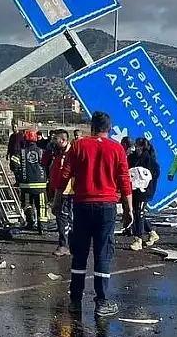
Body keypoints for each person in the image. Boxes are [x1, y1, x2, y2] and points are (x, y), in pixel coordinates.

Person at [56, 111, 133, 317]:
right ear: (108, 128)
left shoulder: (79, 146)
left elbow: (65, 175)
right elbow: (124, 181)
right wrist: (128, 209)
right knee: (103, 254)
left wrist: (57, 200)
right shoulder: (117, 149)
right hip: (106, 207)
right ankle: (101, 302)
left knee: (79, 253)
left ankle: (75, 300)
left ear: (92, 127)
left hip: (82, 205)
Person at [10, 131, 49, 231]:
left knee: (27, 204)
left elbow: (13, 164)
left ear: (25, 139)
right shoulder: (43, 151)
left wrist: (19, 174)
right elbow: (50, 164)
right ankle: (42, 226)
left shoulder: (20, 152)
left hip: (25, 184)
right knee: (42, 205)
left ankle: (30, 221)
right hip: (40, 185)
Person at [127, 137, 162, 250]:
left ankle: (138, 239)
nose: (135, 148)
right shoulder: (131, 157)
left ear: (142, 147)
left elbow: (155, 172)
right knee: (136, 212)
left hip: (144, 191)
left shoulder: (149, 159)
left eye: (137, 146)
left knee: (139, 213)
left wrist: (146, 182)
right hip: (134, 189)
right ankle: (152, 233)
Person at [44, 129, 74, 256]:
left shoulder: (71, 153)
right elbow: (45, 163)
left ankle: (65, 245)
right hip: (58, 190)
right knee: (62, 218)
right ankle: (67, 245)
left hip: (68, 192)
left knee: (66, 219)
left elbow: (66, 174)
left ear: (63, 140)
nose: (53, 141)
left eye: (55, 139)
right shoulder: (57, 153)